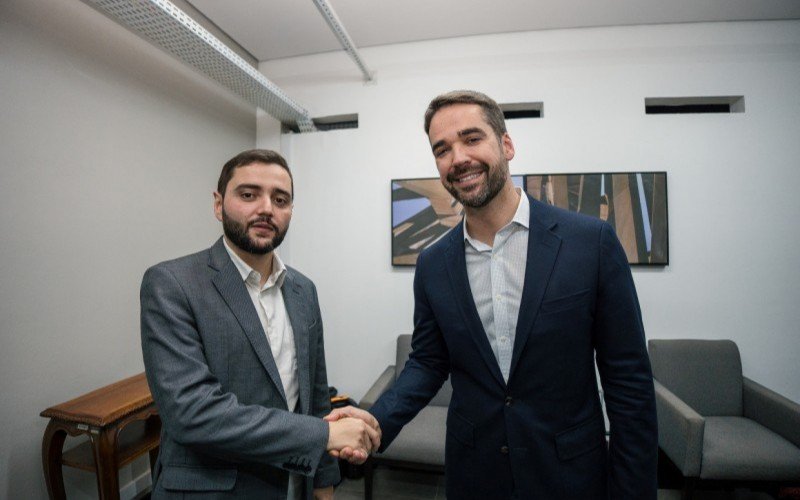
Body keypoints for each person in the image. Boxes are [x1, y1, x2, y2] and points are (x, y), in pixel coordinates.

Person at [328, 91, 658, 499]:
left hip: (569, 474)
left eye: (471, 138)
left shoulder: (590, 243)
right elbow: (429, 362)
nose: (458, 158)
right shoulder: (433, 264)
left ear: (506, 145)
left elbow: (629, 382)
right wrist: (375, 423)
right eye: (442, 149)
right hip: (475, 474)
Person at [141, 149, 378, 500]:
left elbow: (314, 399)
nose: (266, 208)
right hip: (213, 490)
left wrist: (325, 485)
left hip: (294, 486)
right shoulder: (172, 283)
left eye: (280, 199)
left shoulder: (303, 290)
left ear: (290, 212)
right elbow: (192, 412)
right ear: (219, 204)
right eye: (249, 194)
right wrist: (324, 436)